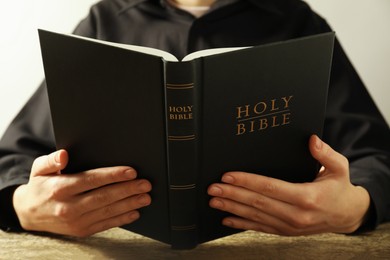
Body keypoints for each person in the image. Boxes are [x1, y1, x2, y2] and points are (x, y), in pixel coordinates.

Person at [0, 0, 389, 238]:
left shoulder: (299, 22)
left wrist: (357, 208)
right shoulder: (105, 20)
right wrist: (22, 206)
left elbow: (378, 156)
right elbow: (14, 156)